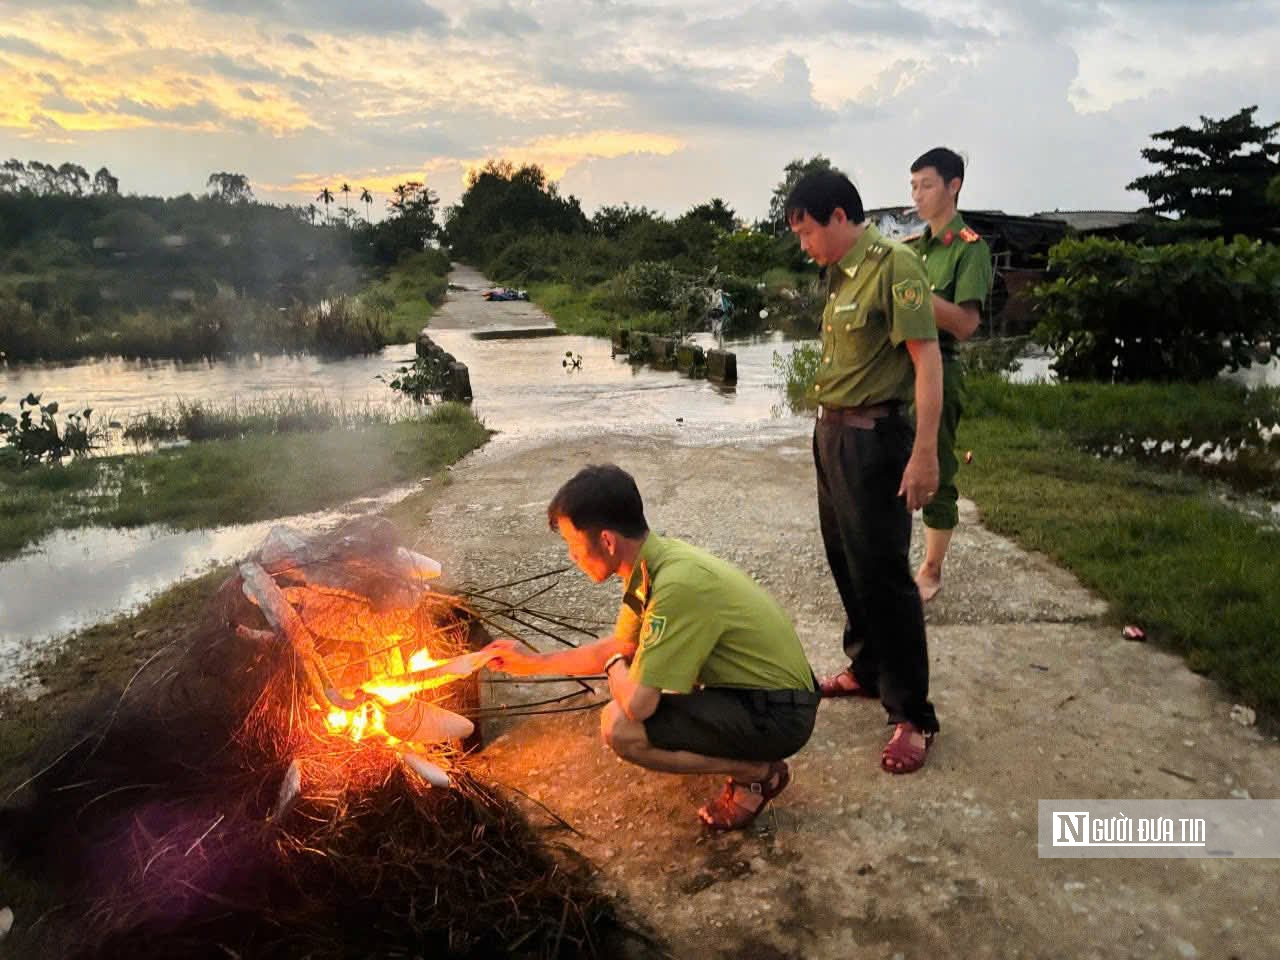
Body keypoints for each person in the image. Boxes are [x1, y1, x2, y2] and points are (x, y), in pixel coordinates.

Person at [483, 464, 818, 830]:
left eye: (573, 545)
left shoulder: (675, 587)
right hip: (763, 694)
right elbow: (621, 646)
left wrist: (614, 664)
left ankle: (755, 773)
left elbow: (639, 702)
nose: (571, 556)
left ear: (607, 541)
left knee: (620, 726)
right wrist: (529, 663)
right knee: (650, 674)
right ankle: (747, 757)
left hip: (780, 713)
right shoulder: (654, 564)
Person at [785, 169, 942, 774]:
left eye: (808, 232)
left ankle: (913, 716)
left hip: (876, 437)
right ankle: (868, 669)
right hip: (832, 433)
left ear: (840, 218)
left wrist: (923, 453)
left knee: (884, 576)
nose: (806, 246)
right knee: (845, 559)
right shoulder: (840, 272)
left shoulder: (896, 265)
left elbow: (927, 362)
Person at [906, 147, 994, 602]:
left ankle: (932, 567)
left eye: (927, 185)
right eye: (914, 186)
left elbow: (964, 324)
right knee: (887, 465)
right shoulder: (910, 250)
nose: (918, 195)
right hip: (896, 372)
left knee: (933, 467)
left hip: (939, 370)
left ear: (953, 185)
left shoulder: (969, 250)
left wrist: (912, 296)